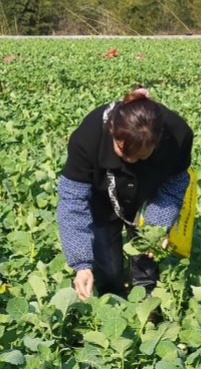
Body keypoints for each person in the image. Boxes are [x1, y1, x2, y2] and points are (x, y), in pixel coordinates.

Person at [57, 89, 193, 299]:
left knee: (146, 262)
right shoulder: (88, 136)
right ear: (112, 129)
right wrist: (81, 264)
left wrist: (156, 227)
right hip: (102, 199)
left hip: (148, 197)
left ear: (157, 143)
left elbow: (175, 183)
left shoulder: (178, 135)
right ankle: (114, 304)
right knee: (109, 271)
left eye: (140, 156)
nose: (130, 160)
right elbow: (72, 200)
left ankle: (146, 307)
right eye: (122, 151)